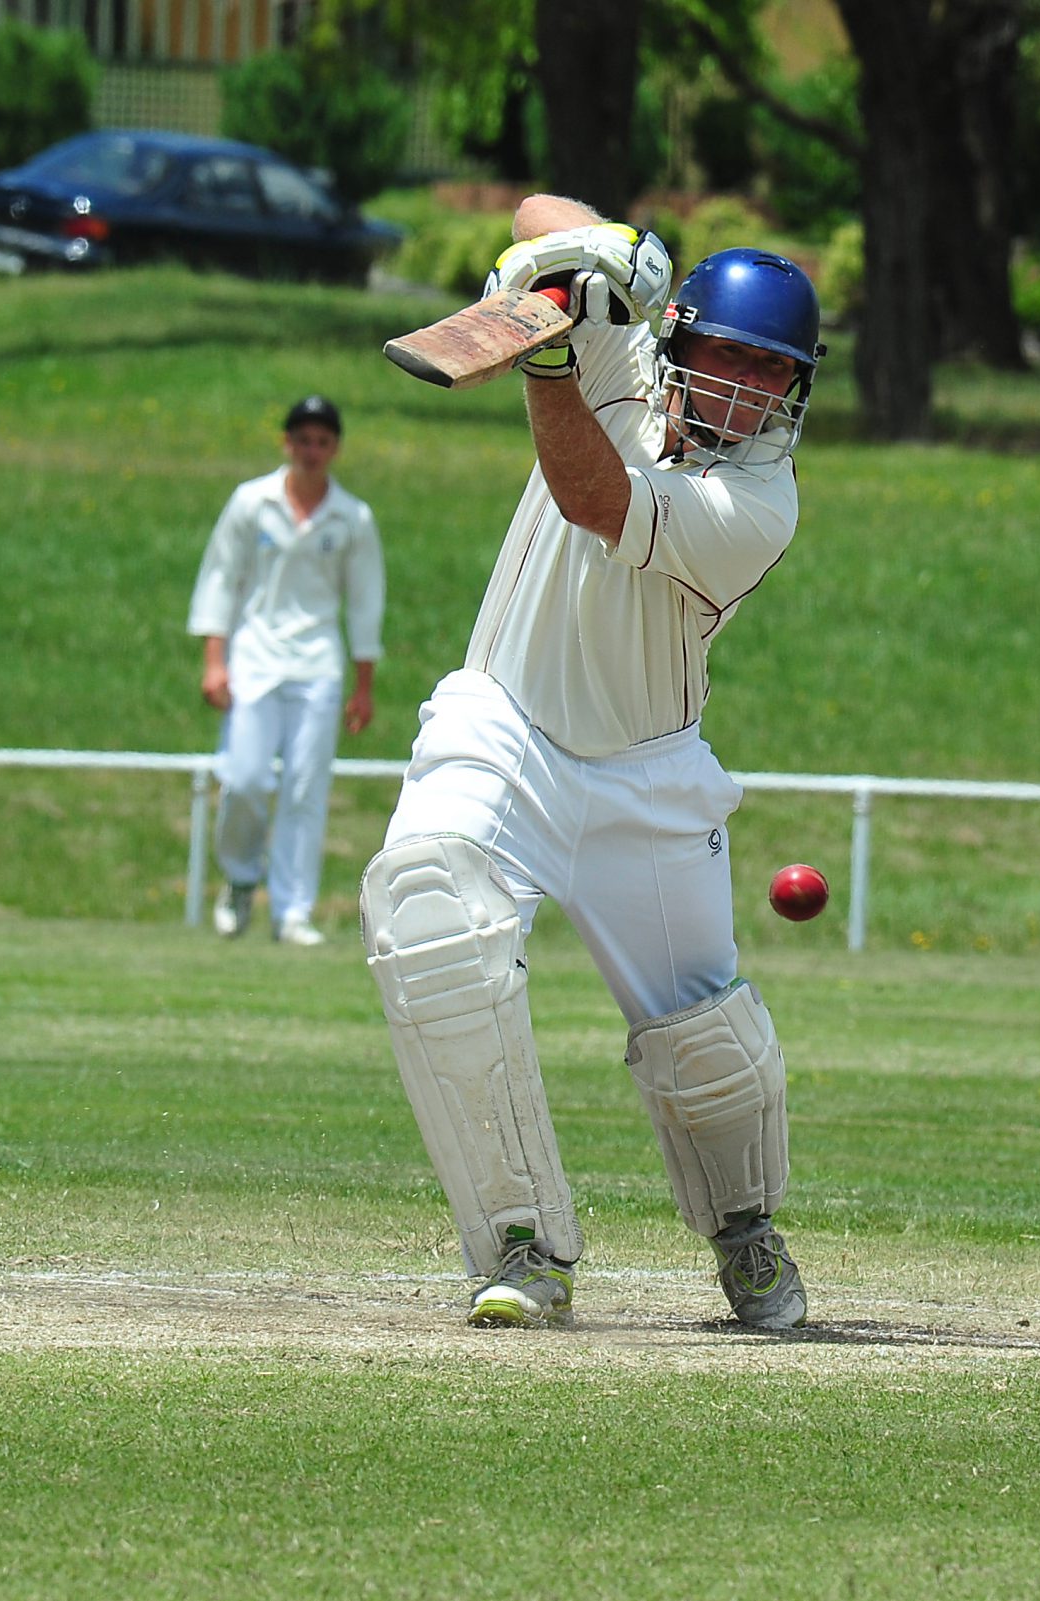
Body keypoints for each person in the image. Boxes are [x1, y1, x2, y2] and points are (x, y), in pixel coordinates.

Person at [357, 196, 823, 1331]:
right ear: (681, 338)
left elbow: (592, 496)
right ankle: (521, 1245)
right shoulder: (627, 349)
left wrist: (549, 353)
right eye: (728, 356)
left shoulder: (757, 503)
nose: (745, 389)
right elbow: (537, 210)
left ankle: (744, 1231)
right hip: (501, 721)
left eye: (771, 372)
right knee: (428, 919)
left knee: (704, 1040)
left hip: (648, 772)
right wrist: (609, 253)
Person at [188, 394, 384, 948]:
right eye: (303, 440)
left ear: (335, 449)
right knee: (245, 778)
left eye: (322, 441)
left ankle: (293, 910)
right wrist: (214, 661)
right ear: (286, 443)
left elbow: (365, 602)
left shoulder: (352, 517)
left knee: (304, 787)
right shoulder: (252, 502)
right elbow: (221, 578)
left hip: (317, 664)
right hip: (255, 659)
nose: (311, 451)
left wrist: (363, 686)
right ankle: (240, 879)